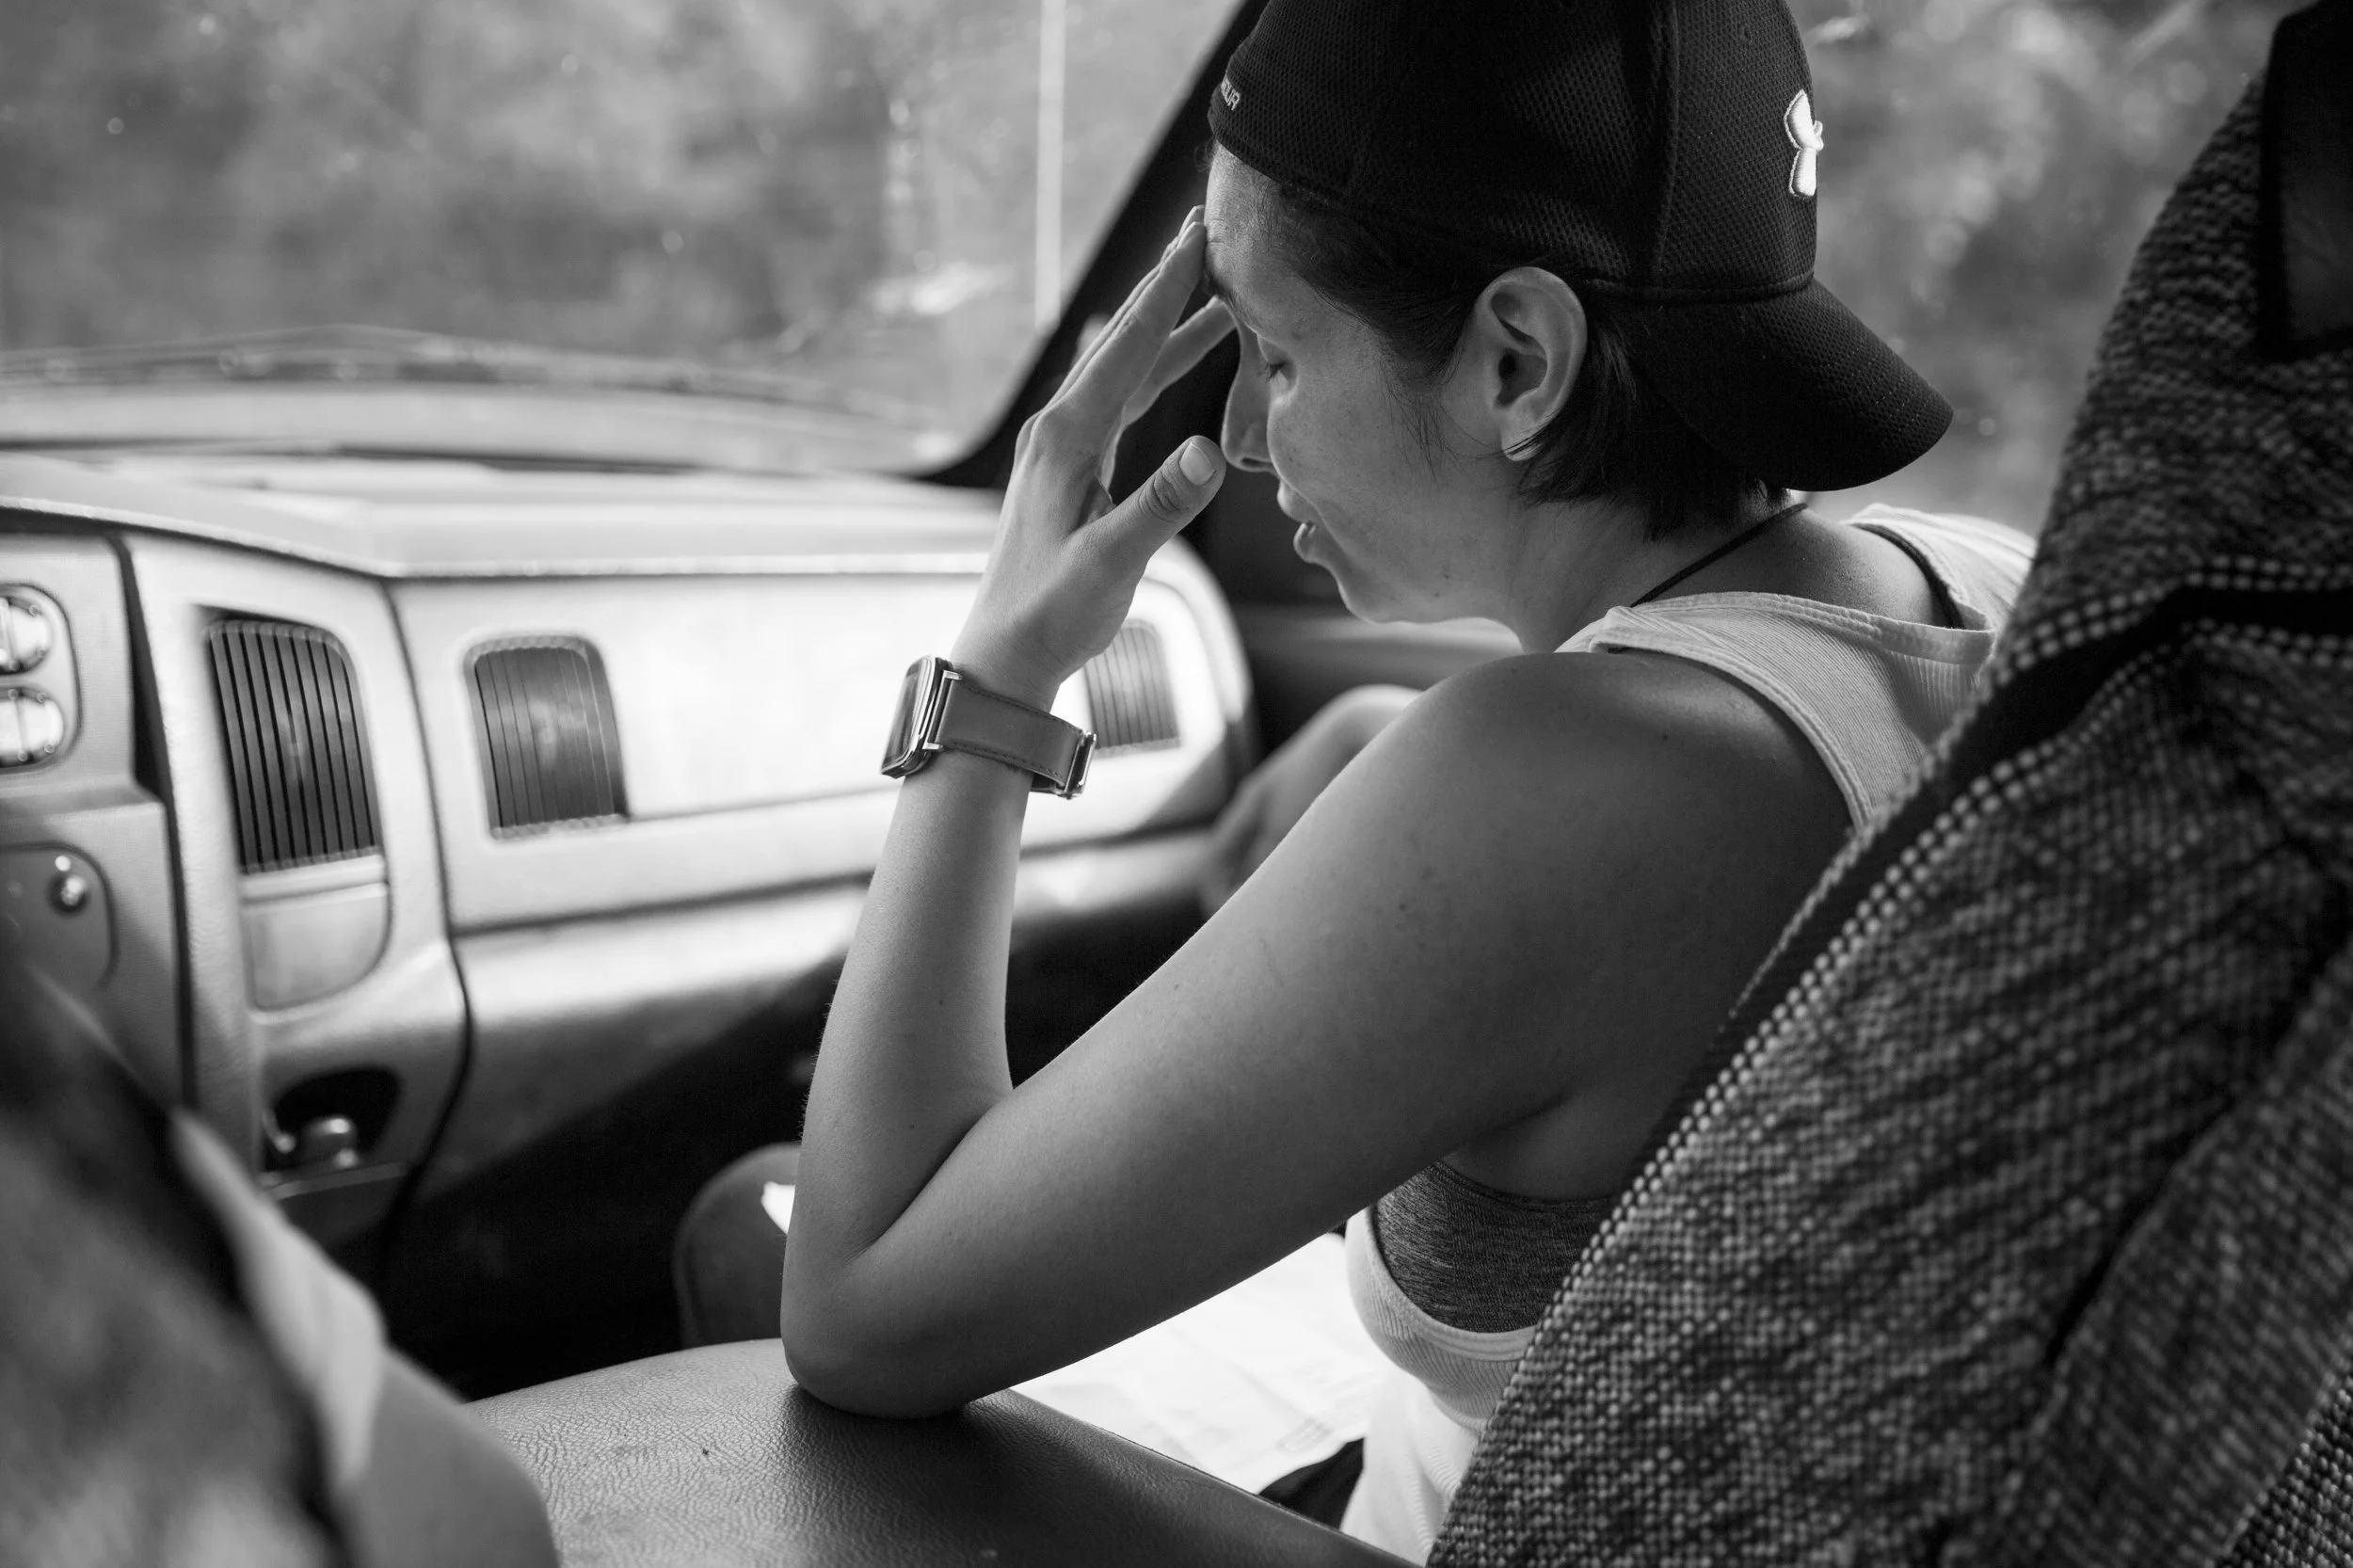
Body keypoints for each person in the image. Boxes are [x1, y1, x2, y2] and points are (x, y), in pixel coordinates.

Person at [776, 0, 2030, 1558]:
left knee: (747, 1236)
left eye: (1279, 354)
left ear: (1519, 360)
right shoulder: (1996, 586)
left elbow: (859, 1304)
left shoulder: (1558, 783)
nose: (1236, 435)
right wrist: (1390, 751)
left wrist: (1003, 676)